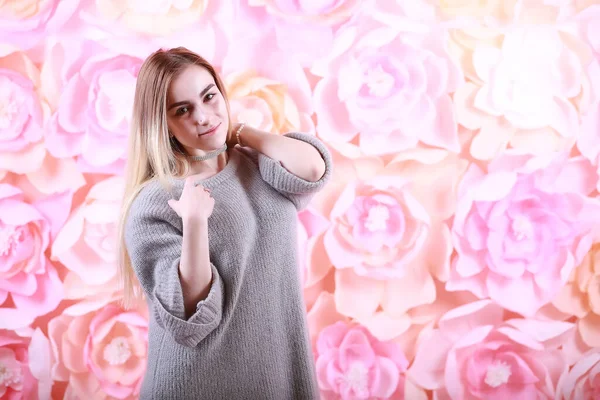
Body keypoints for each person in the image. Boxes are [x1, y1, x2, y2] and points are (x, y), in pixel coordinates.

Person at [116, 46, 332, 400]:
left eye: (209, 96)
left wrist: (240, 133)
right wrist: (195, 223)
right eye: (183, 110)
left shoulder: (260, 165)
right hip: (199, 383)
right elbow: (190, 317)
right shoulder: (155, 203)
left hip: (275, 371)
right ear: (164, 124)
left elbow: (313, 169)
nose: (203, 116)